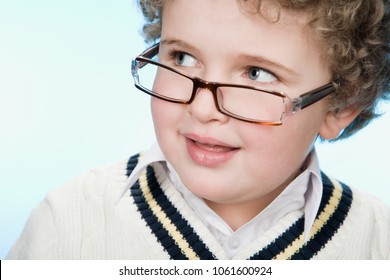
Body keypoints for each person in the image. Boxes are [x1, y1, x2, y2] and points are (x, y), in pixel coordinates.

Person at [7, 0, 390, 259]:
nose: (202, 108)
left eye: (257, 75)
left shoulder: (377, 245)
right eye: (183, 57)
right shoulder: (70, 225)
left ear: (343, 105)